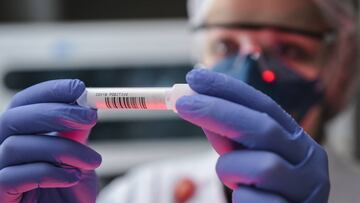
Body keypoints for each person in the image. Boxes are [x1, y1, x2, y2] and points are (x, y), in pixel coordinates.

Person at [0, 0, 358, 203]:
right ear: (198, 59)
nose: (252, 71)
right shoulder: (142, 193)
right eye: (226, 47)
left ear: (339, 68)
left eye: (290, 49)